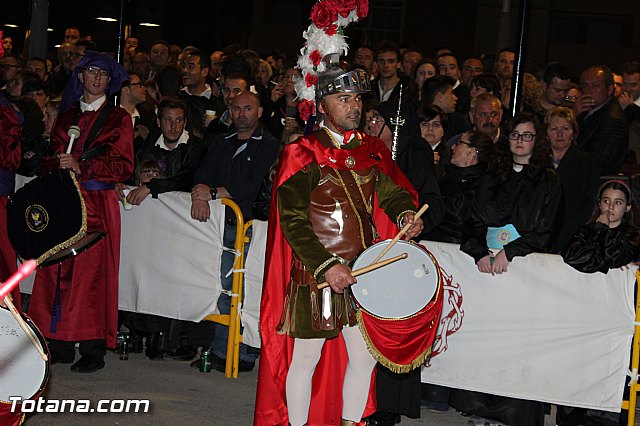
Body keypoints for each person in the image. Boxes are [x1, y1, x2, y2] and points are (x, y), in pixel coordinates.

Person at [254, 54, 424, 426]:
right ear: (322, 106)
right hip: (317, 273)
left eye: (358, 98)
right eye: (343, 99)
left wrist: (404, 215)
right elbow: (292, 220)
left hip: (365, 270)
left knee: (363, 359)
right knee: (305, 359)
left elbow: (392, 193)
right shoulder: (302, 153)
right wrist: (326, 265)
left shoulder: (373, 150)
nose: (354, 106)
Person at [29, 52, 134, 373]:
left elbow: (124, 166)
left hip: (97, 206)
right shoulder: (67, 114)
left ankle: (93, 349)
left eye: (103, 74)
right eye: (91, 72)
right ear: (81, 77)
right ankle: (57, 342)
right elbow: (49, 160)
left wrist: (82, 165)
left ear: (110, 80)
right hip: (65, 203)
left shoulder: (118, 119)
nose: (97, 79)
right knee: (56, 271)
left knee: (93, 278)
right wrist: (56, 163)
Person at [455, 112, 561, 426]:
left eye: (527, 135)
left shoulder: (547, 179)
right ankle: (478, 406)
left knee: (516, 341)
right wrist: (479, 253)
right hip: (487, 267)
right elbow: (472, 219)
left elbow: (546, 227)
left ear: (536, 140)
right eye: (515, 134)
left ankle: (511, 412)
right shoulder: (491, 175)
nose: (519, 141)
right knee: (484, 338)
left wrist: (510, 252)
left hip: (523, 269)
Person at [191, 90, 279, 372]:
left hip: (253, 228)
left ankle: (248, 353)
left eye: (248, 108)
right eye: (237, 108)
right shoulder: (220, 142)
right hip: (219, 227)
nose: (242, 113)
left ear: (260, 112)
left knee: (251, 293)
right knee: (223, 290)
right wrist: (199, 195)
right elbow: (202, 174)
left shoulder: (270, 145)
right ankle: (221, 350)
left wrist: (213, 193)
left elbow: (252, 187)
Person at [544, 107, 600, 252]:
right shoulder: (537, 160)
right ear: (546, 133)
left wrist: (570, 232)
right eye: (554, 129)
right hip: (538, 233)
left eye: (565, 128)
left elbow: (589, 203)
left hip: (571, 236)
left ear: (573, 133)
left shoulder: (586, 162)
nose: (559, 134)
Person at [563, 180, 640, 274]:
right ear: (599, 204)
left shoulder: (634, 237)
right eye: (606, 201)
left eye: (618, 202)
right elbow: (573, 258)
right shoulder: (586, 231)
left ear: (627, 207)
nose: (610, 207)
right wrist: (599, 228)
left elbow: (614, 257)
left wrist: (602, 229)